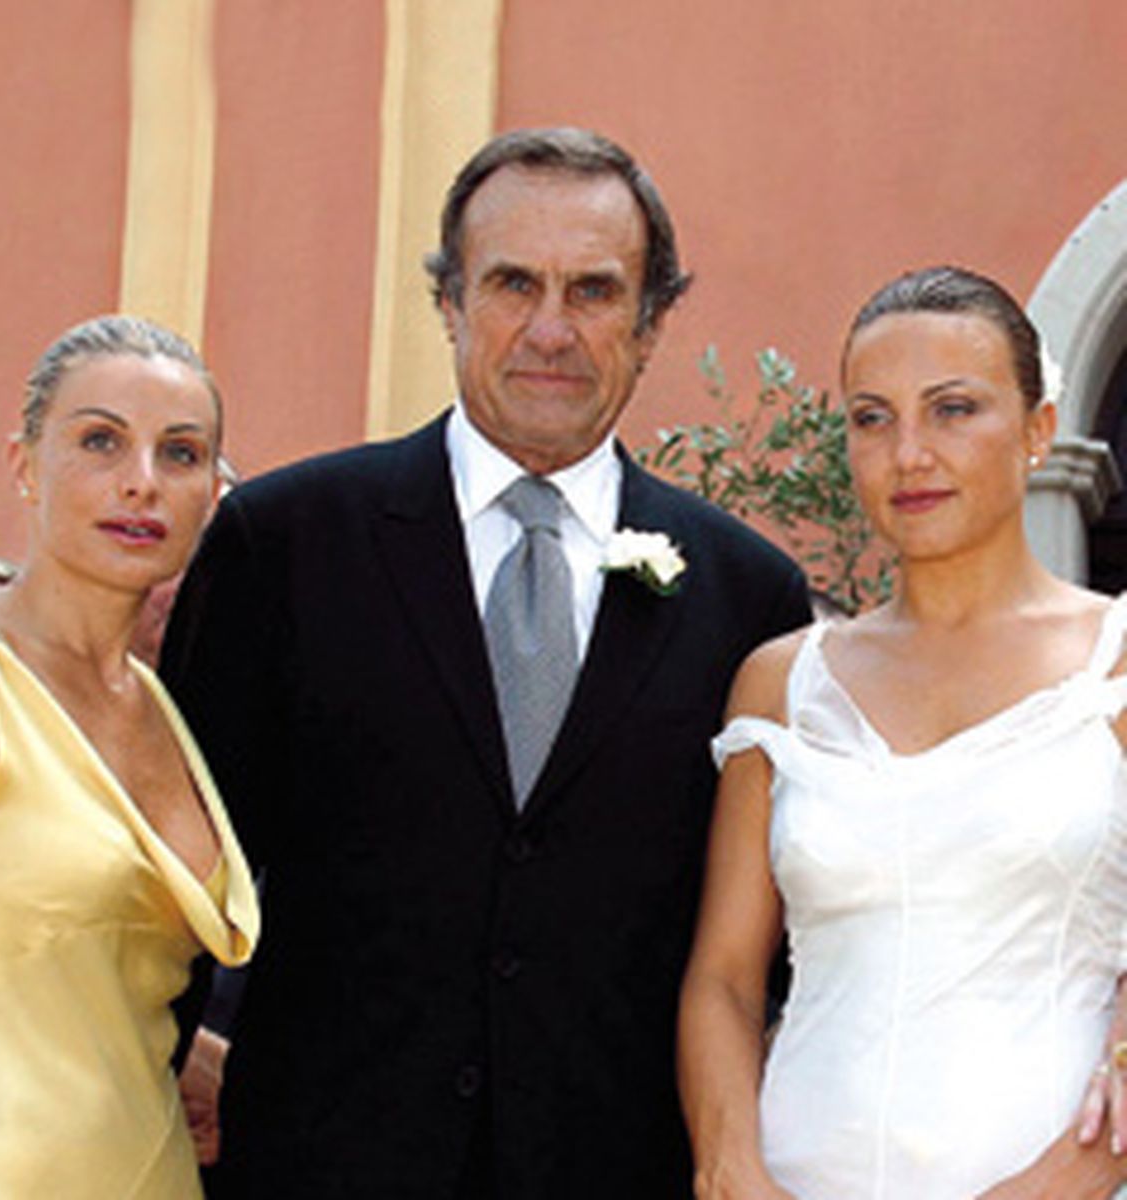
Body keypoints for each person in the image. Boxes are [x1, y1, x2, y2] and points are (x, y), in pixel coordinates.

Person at [160, 126, 810, 1198]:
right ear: (450, 303)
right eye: (513, 284)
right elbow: (179, 891)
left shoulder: (748, 600)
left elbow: (762, 957)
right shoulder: (285, 545)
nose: (551, 330)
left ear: (651, 325)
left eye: (594, 292)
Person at [678, 264, 1127, 1199]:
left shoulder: (1116, 664)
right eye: (872, 418)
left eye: (953, 409)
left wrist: (1075, 1174)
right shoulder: (781, 684)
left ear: (1038, 429)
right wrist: (733, 1169)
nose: (909, 453)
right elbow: (724, 978)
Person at [0, 315, 260, 1198]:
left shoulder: (168, 713)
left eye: (180, 454)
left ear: (212, 498)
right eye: (101, 442)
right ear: (25, 464)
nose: (142, 482)